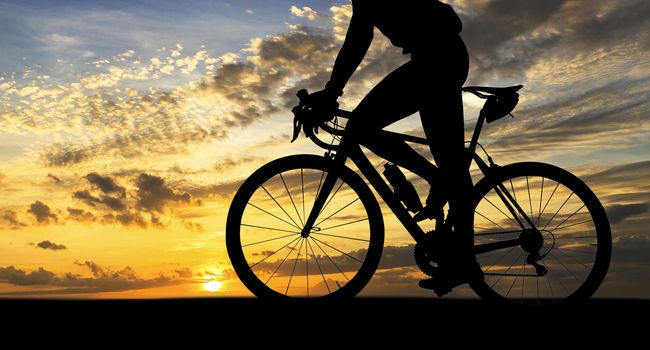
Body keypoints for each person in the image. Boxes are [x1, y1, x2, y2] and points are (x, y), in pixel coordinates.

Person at [307, 0, 480, 294]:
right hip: (438, 55)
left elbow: (358, 39)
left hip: (436, 57)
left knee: (361, 126)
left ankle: (441, 188)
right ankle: (463, 259)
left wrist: (332, 92)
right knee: (451, 166)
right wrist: (332, 91)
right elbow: (358, 36)